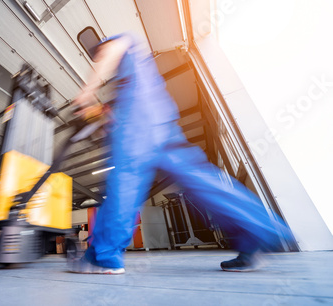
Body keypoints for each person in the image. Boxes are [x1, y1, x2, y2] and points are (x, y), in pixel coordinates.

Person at [69, 32, 291, 274]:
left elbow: (112, 51)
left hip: (136, 124)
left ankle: (103, 257)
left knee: (125, 184)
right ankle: (256, 231)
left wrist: (86, 93)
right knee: (199, 177)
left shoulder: (120, 42)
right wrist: (106, 117)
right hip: (162, 122)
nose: (100, 58)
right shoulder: (135, 74)